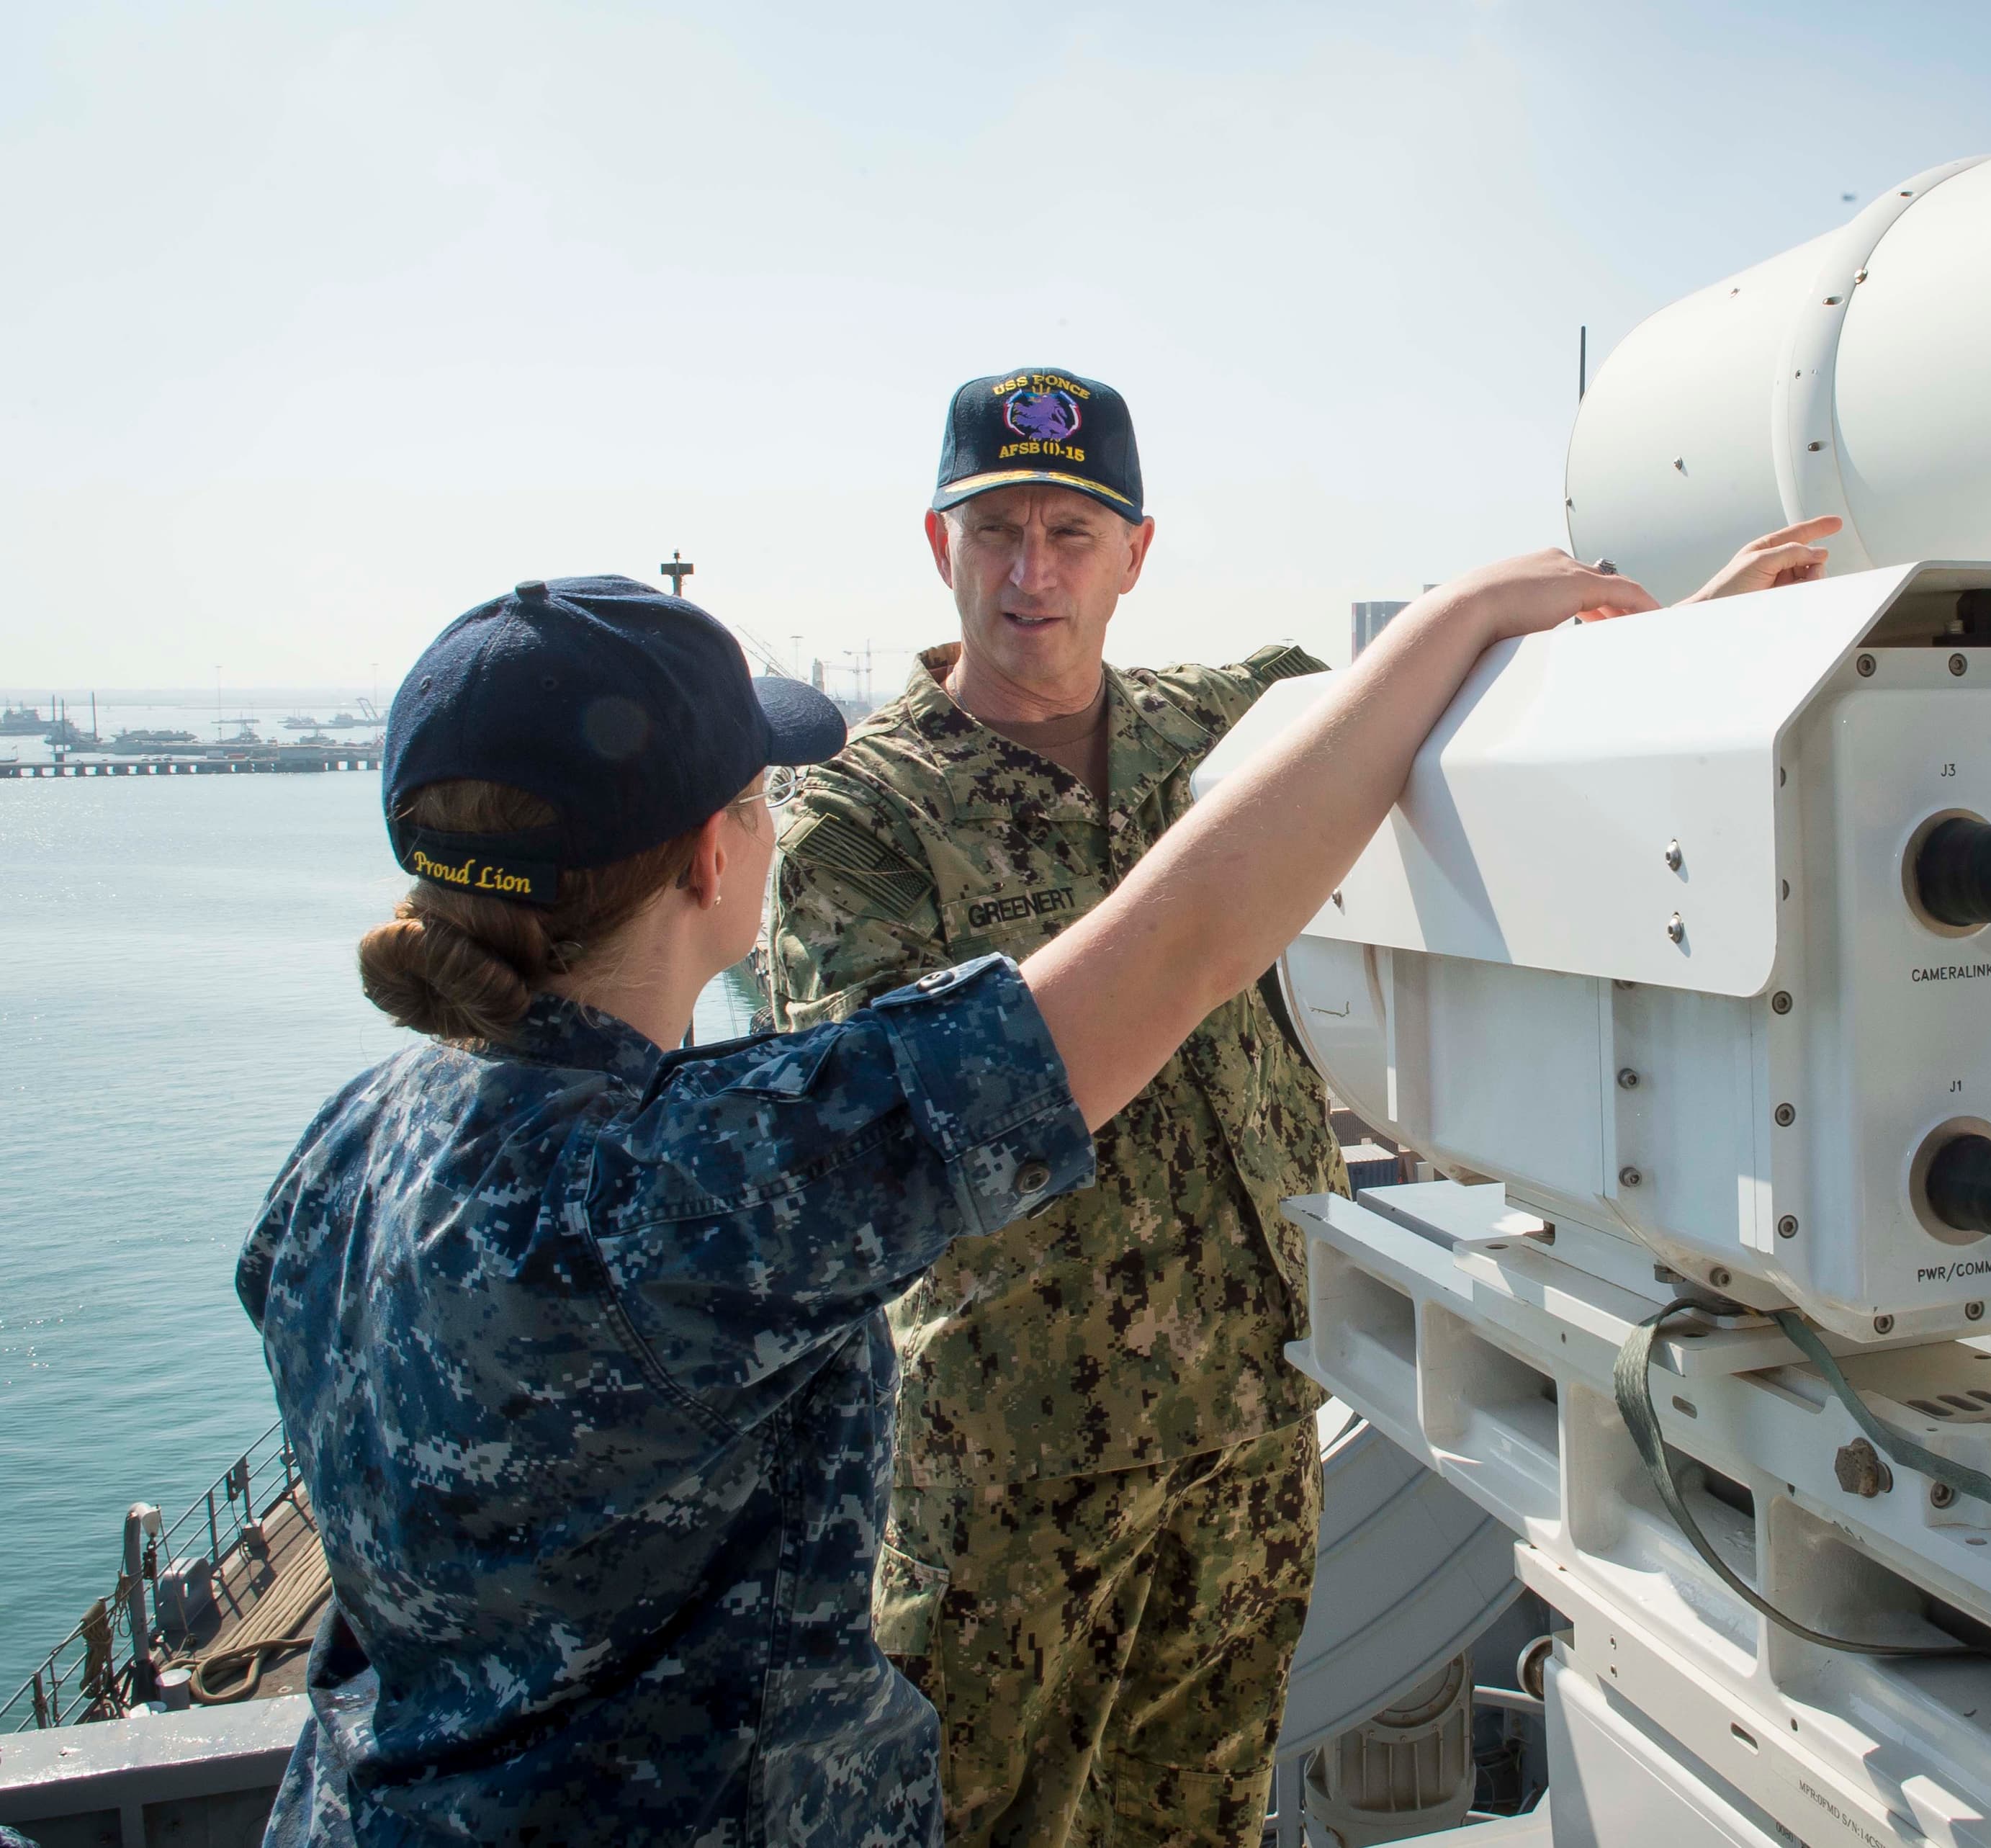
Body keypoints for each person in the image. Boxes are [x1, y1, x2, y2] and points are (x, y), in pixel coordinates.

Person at [238, 555, 1658, 1846]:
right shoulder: (698, 1185)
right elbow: (1176, 951)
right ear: (710, 856)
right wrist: (1458, 621)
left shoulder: (348, 1143)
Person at [768, 367, 1840, 1846]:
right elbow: (886, 1145)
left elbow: (1478, 720)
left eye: (1072, 532)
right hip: (1006, 1477)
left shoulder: (1225, 728)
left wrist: (1688, 638)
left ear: (1136, 552)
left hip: (1252, 1426)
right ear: (937, 545)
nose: (1032, 574)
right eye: (996, 528)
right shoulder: (861, 815)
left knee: (1206, 1822)